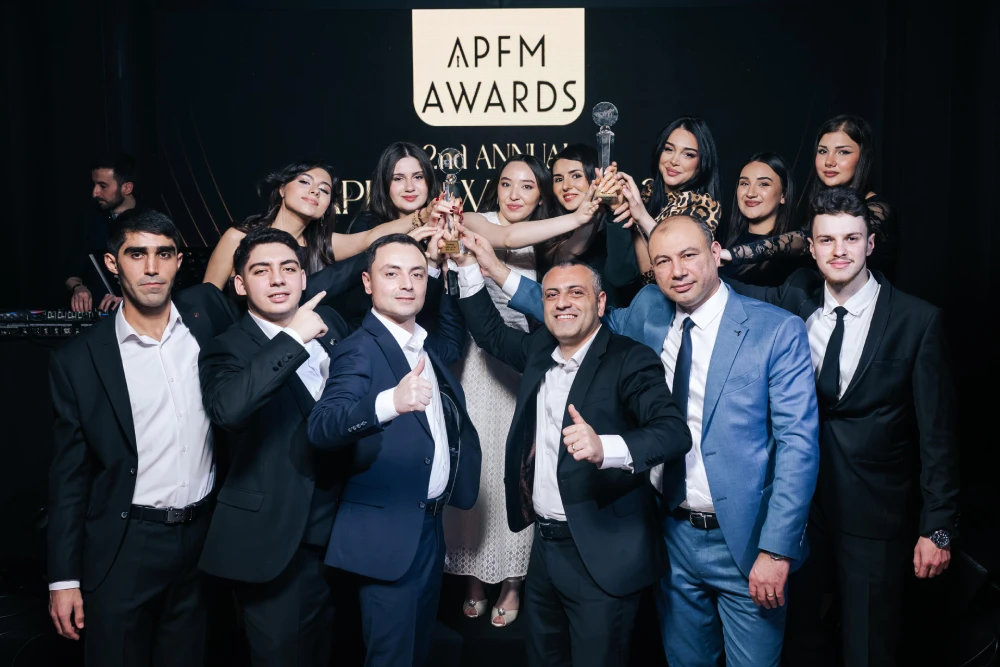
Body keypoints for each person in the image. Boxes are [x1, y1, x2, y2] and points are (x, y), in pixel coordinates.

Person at [492, 211, 820, 666]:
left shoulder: (776, 330)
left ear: (716, 253)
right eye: (663, 261)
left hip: (745, 540)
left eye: (688, 255)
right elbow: (573, 307)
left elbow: (798, 448)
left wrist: (776, 550)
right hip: (669, 534)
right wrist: (491, 268)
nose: (677, 271)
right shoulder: (650, 311)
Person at [725, 187, 959, 667]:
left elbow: (939, 436)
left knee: (867, 649)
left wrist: (937, 527)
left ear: (870, 244)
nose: (839, 251)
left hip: (876, 516)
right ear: (811, 249)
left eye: (851, 239)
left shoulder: (917, 320)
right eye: (827, 240)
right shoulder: (794, 300)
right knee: (799, 643)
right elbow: (725, 290)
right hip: (800, 514)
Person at [451, 239, 692, 667]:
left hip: (602, 553)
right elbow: (490, 334)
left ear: (600, 303)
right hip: (545, 552)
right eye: (551, 294)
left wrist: (607, 448)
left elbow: (673, 433)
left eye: (575, 292)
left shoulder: (629, 359)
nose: (562, 302)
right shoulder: (540, 350)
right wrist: (468, 265)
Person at [47, 209, 238, 666]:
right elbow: (69, 478)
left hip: (202, 540)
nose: (151, 268)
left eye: (163, 254)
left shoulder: (206, 319)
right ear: (113, 263)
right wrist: (63, 579)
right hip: (125, 542)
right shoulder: (78, 360)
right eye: (137, 254)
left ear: (178, 262)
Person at [307, 234, 482, 667]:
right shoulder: (358, 349)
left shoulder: (422, 344)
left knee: (417, 652)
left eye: (417, 274)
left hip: (428, 527)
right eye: (392, 273)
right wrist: (389, 402)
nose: (407, 283)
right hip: (388, 537)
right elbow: (323, 426)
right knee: (391, 658)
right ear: (368, 282)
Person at [442, 153, 601, 627]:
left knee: (520, 468)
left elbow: (578, 249)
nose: (515, 194)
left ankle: (513, 579)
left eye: (528, 186)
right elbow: (508, 238)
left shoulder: (550, 238)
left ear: (541, 195)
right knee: (479, 470)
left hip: (525, 362)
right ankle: (473, 576)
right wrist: (577, 213)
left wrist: (592, 210)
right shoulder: (476, 221)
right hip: (477, 360)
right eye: (507, 183)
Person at [197, 227, 351, 666]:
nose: (278, 279)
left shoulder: (333, 324)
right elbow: (228, 409)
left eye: (288, 268)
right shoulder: (225, 347)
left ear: (303, 278)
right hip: (277, 543)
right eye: (261, 271)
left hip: (342, 535)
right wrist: (293, 338)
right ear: (240, 284)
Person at [721, 114, 898, 280]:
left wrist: (734, 254)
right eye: (823, 151)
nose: (829, 161)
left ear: (863, 157)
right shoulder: (817, 206)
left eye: (843, 152)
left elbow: (807, 240)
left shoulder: (878, 210)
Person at [608, 117, 724, 286]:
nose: (674, 161)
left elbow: (664, 273)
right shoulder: (647, 193)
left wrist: (641, 217)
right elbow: (619, 273)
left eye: (688, 154)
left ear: (702, 162)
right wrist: (619, 206)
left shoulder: (704, 207)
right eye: (669, 149)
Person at [719, 152, 806, 287]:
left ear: (784, 195)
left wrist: (731, 255)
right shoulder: (722, 238)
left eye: (764, 184)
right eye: (744, 183)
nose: (750, 193)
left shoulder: (795, 247)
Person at [66, 152, 139, 312]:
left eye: (103, 186)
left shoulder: (153, 221)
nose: (95, 193)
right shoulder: (89, 219)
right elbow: (72, 271)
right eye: (94, 185)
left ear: (127, 188)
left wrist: (131, 300)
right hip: (100, 315)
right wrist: (78, 288)